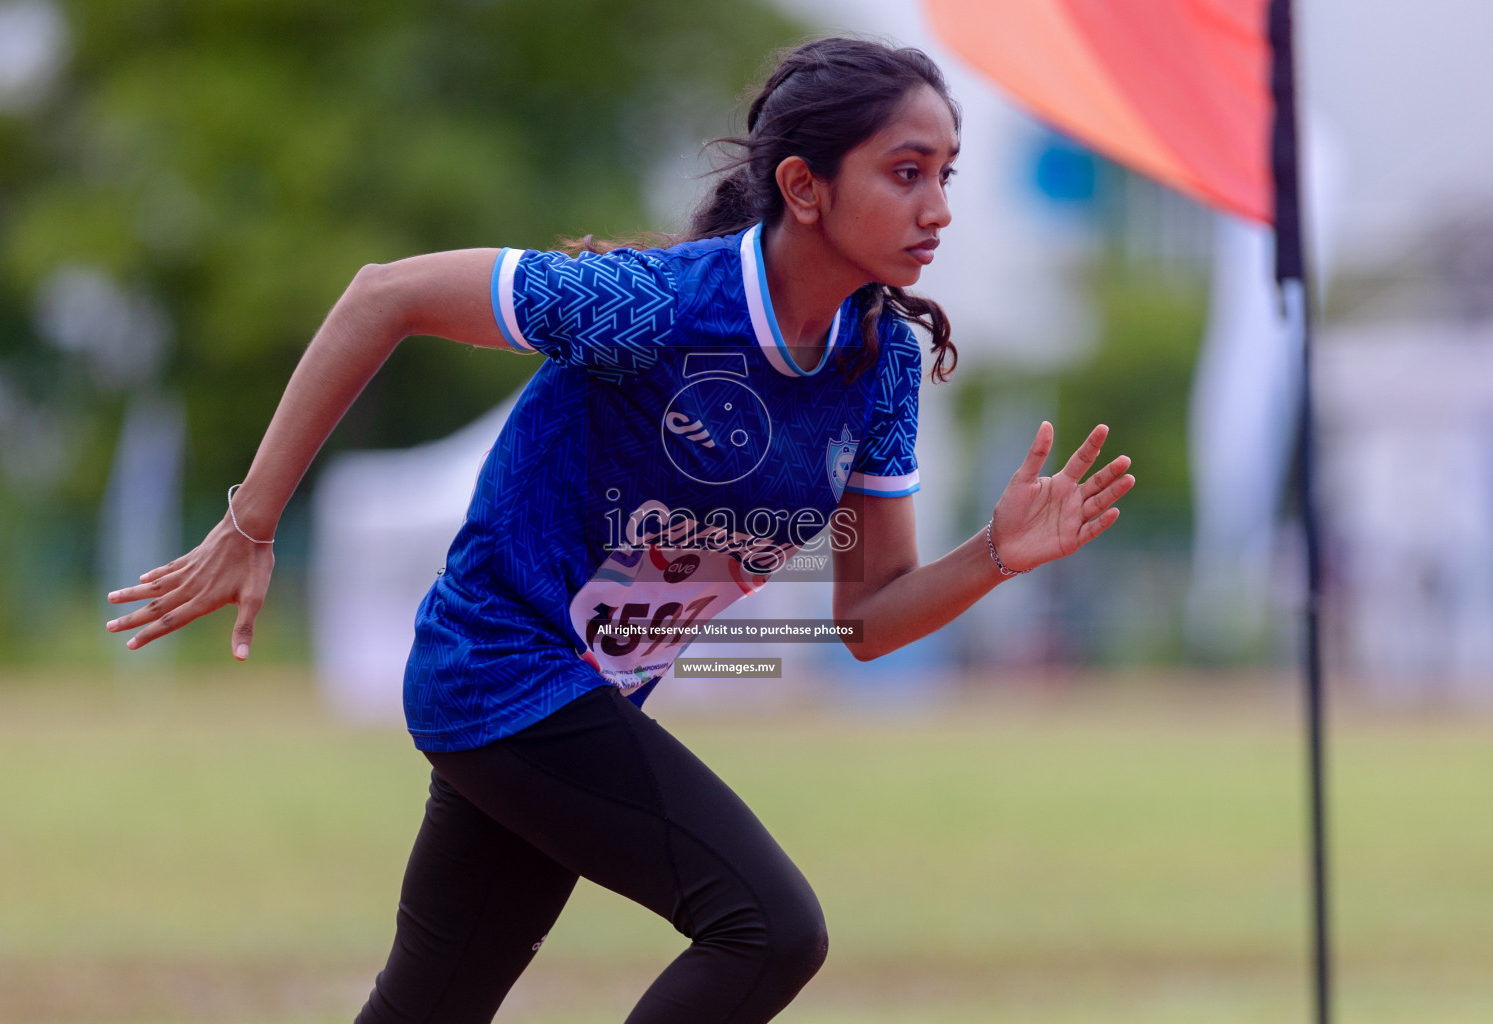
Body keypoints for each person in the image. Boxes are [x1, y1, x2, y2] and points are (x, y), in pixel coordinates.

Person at [106, 37, 1133, 1024]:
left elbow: (863, 616)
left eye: (946, 171)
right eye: (905, 172)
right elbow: (385, 294)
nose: (938, 208)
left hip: (571, 696)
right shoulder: (653, 307)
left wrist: (994, 555)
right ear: (802, 187)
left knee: (428, 1009)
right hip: (501, 670)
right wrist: (252, 521)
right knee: (767, 930)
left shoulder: (880, 362)